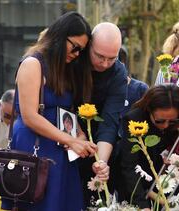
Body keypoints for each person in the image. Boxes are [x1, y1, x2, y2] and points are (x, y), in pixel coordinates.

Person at [1, 12, 98, 211]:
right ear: (60, 37)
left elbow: (64, 111)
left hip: (59, 150)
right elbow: (30, 116)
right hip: (34, 146)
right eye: (75, 47)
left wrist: (79, 135)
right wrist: (70, 140)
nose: (77, 54)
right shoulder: (33, 63)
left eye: (81, 50)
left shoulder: (63, 68)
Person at [75, 22, 127, 207]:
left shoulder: (118, 73)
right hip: (65, 139)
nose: (105, 64)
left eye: (111, 58)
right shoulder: (73, 61)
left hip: (100, 145)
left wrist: (101, 164)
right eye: (100, 56)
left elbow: (110, 121)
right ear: (89, 45)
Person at [119, 84, 179, 210]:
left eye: (172, 121)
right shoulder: (135, 119)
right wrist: (142, 205)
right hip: (139, 181)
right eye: (160, 121)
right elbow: (129, 166)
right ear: (149, 110)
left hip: (171, 181)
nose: (165, 125)